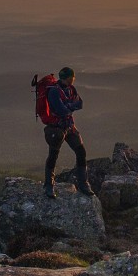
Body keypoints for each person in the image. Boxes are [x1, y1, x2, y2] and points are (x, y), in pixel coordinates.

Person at [34, 67, 90, 199]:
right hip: (57, 128)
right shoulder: (53, 91)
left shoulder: (71, 89)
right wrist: (71, 105)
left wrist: (68, 106)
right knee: (53, 155)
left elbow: (80, 104)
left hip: (69, 126)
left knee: (81, 152)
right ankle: (49, 185)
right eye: (72, 77)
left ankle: (84, 184)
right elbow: (61, 110)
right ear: (69, 77)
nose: (74, 79)